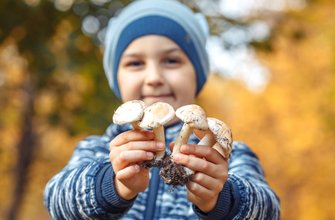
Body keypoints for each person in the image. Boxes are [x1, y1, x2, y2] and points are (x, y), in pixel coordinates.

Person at [43, 0, 280, 219]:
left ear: (197, 74)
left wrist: (221, 198)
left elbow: (268, 211)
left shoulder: (228, 154)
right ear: (116, 78)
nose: (154, 78)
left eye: (171, 61)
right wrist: (113, 184)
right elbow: (56, 201)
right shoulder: (97, 149)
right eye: (135, 63)